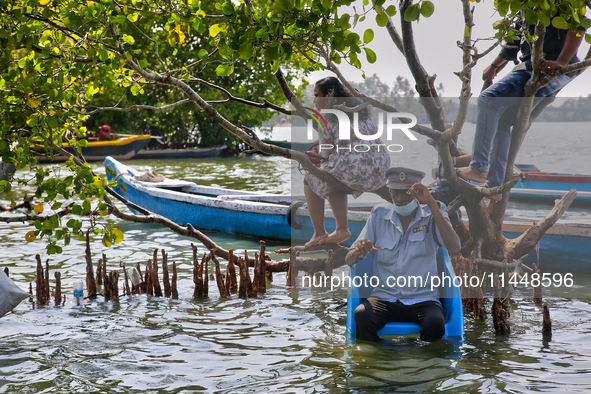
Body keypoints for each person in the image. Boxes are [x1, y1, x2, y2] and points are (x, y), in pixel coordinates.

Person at [457, 13, 586, 199]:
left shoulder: (560, 4)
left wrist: (562, 62)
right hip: (539, 69)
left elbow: (578, 28)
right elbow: (512, 44)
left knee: (488, 99)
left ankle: (478, 168)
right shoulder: (525, 8)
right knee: (500, 120)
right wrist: (494, 66)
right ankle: (495, 186)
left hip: (544, 68)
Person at [346, 167, 461, 342]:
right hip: (385, 297)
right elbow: (349, 260)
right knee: (362, 315)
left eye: (405, 193)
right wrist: (358, 250)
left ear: (416, 193)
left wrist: (430, 202)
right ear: (389, 191)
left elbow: (454, 248)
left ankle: (423, 365)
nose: (399, 199)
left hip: (424, 298)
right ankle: (375, 363)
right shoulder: (379, 215)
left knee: (435, 324)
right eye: (395, 193)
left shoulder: (433, 214)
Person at [303, 77, 391, 247]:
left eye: (316, 96)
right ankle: (341, 229)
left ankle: (320, 232)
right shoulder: (362, 111)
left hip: (357, 170)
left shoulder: (328, 116)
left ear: (328, 95)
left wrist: (316, 152)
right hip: (381, 170)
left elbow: (326, 152)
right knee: (334, 179)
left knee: (310, 177)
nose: (314, 101)